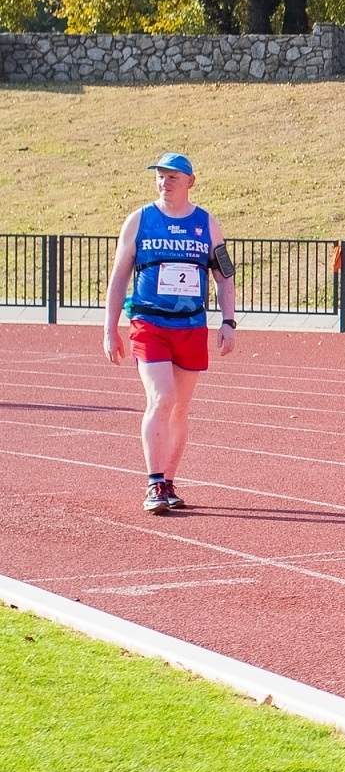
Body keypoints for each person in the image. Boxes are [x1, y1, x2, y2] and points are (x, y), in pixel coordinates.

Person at [103, 153, 238, 513]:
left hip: (191, 326)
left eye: (173, 177)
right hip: (149, 324)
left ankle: (169, 482)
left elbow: (224, 276)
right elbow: (118, 278)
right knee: (161, 398)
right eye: (161, 176)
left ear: (191, 181)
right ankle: (154, 483)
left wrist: (229, 321)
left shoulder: (207, 224)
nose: (165, 182)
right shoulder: (139, 221)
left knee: (180, 408)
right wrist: (110, 329)